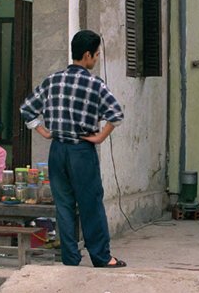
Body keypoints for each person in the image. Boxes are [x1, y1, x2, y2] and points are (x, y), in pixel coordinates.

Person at [19, 29, 128, 268]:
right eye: (97, 55)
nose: (97, 59)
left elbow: (27, 108)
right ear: (87, 55)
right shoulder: (94, 84)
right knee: (90, 204)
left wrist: (44, 131)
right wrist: (100, 137)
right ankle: (101, 257)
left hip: (57, 150)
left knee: (64, 206)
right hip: (81, 149)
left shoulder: (52, 80)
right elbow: (116, 114)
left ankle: (70, 257)